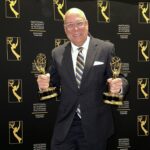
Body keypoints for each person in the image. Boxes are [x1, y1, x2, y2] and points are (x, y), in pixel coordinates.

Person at [37, 8, 128, 150]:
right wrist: (44, 84)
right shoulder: (57, 53)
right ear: (65, 29)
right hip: (66, 125)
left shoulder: (105, 48)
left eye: (79, 23)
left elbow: (119, 77)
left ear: (87, 24)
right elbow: (52, 83)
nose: (75, 29)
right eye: (70, 25)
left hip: (95, 125)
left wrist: (119, 85)